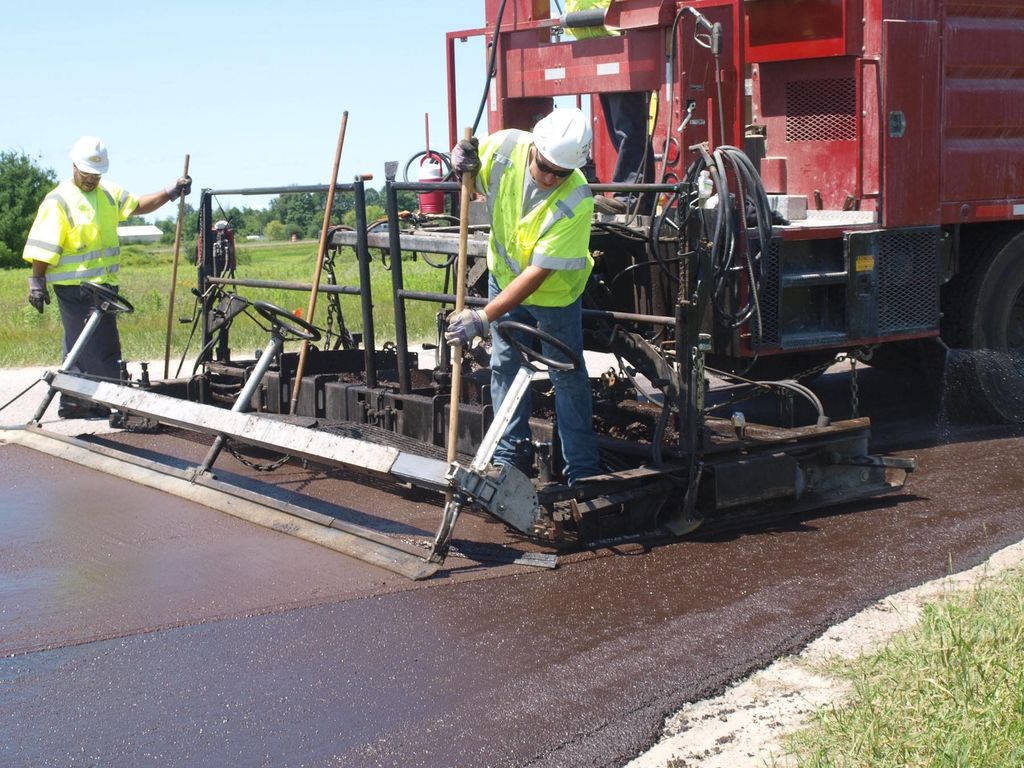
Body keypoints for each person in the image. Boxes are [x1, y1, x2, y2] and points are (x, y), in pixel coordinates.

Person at [446, 108, 602, 485]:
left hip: (554, 295)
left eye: (559, 173)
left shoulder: (578, 197)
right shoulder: (503, 149)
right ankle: (509, 458)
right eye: (544, 166)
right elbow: (472, 179)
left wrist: (483, 318)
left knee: (567, 375)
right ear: (534, 147)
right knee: (504, 366)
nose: (549, 178)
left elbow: (538, 273)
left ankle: (581, 470)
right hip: (503, 273)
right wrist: (461, 163)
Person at [23, 135, 191, 419]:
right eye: (87, 174)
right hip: (74, 285)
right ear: (74, 166)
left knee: (80, 344)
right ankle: (114, 399)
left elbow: (139, 205)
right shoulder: (59, 200)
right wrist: (37, 282)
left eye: (96, 176)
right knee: (99, 344)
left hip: (103, 285)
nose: (91, 180)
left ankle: (79, 401)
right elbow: (44, 243)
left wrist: (170, 191)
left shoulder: (108, 193)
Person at [565, 0, 653, 210]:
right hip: (598, 34)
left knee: (628, 126)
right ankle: (635, 198)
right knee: (621, 127)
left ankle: (631, 197)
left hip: (617, 32)